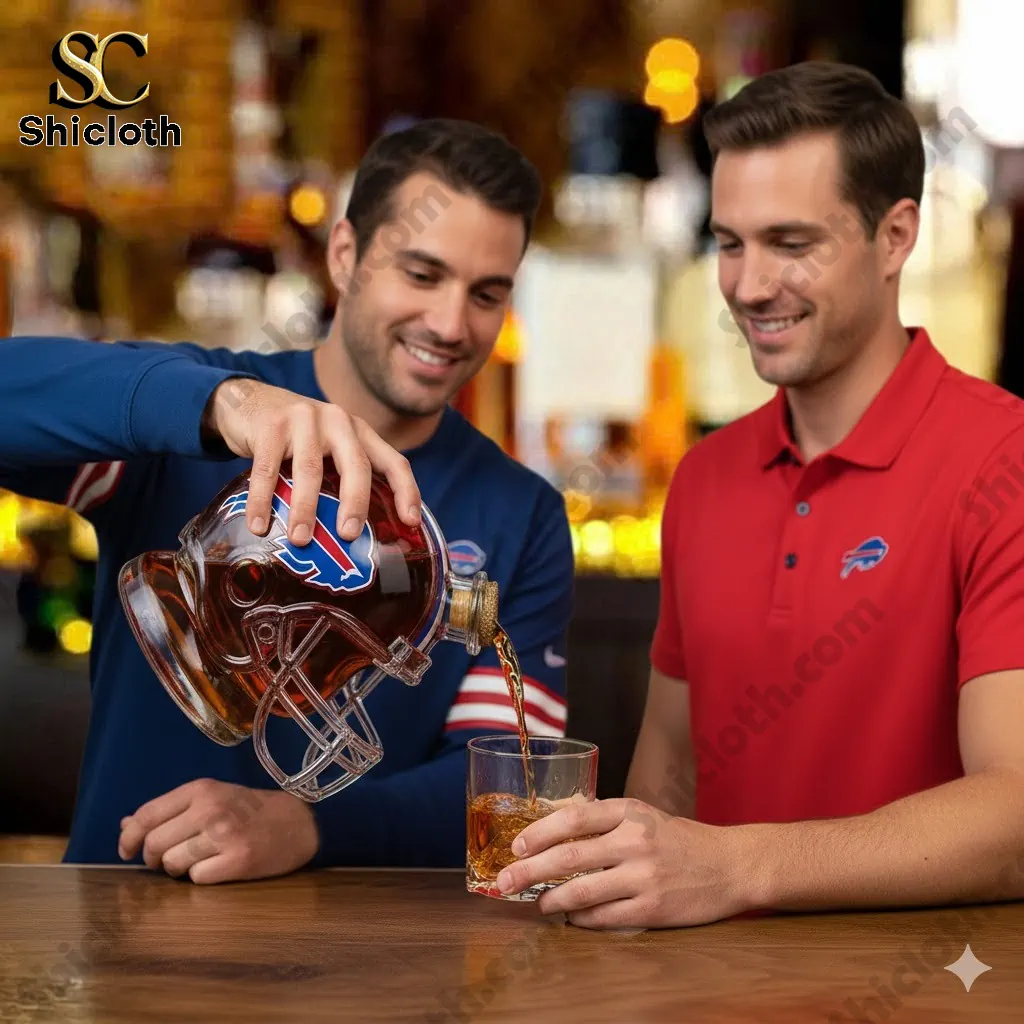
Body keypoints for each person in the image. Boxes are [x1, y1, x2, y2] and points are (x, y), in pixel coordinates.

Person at [498, 61, 1024, 928]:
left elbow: (1013, 818)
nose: (747, 286)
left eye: (791, 244)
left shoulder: (1000, 461)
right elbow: (670, 771)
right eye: (731, 243)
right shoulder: (705, 480)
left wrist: (738, 866)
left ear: (896, 238)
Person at [0, 118, 574, 880]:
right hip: (121, 917)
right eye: (422, 274)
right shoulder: (187, 411)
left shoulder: (519, 510)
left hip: (362, 971)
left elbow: (509, 783)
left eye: (487, 293)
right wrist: (225, 405)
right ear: (346, 256)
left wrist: (309, 825)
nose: (450, 323)